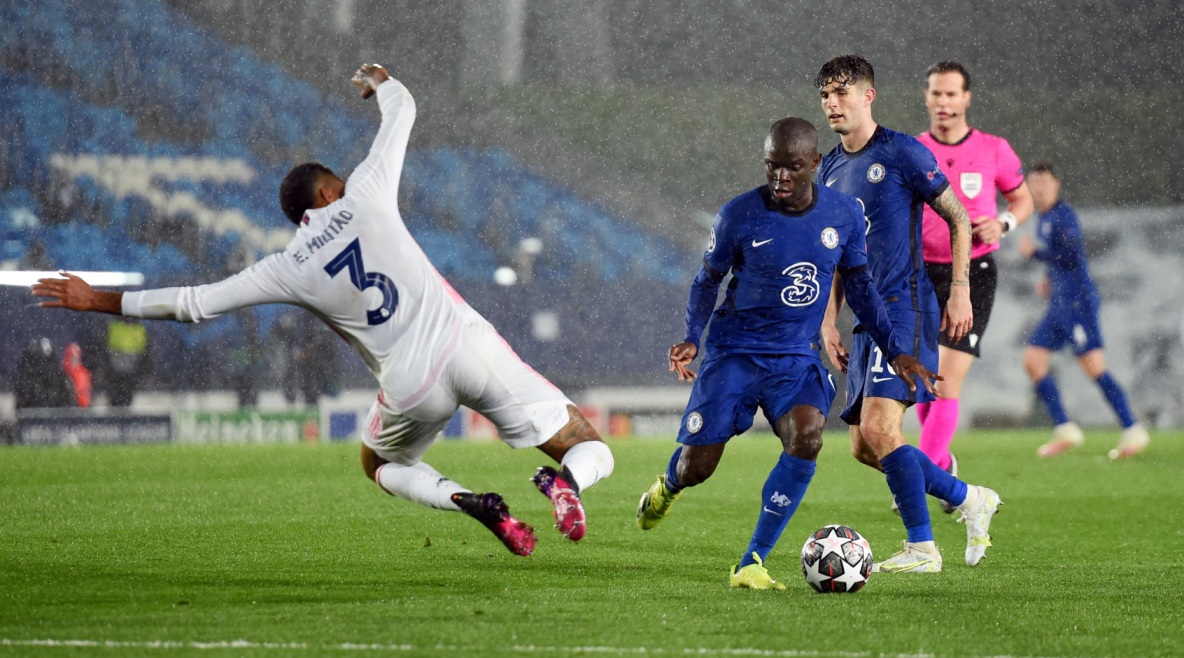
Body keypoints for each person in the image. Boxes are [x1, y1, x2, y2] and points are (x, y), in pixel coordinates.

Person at [32, 63, 614, 557]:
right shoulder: (366, 193)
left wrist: (98, 299)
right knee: (588, 443)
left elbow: (194, 305)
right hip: (468, 344)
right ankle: (567, 483)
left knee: (378, 465)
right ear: (328, 192)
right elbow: (404, 110)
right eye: (336, 179)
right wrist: (381, 81)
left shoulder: (288, 266)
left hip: (411, 385)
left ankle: (466, 500)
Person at [635, 117, 940, 590]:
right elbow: (706, 281)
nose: (780, 177)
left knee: (808, 437)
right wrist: (693, 336)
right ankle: (669, 485)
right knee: (697, 467)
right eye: (771, 166)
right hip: (735, 354)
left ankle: (752, 560)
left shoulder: (843, 214)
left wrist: (896, 349)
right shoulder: (738, 215)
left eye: (792, 167)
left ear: (814, 163)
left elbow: (860, 286)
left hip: (796, 357)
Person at [814, 55, 1001, 573]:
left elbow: (959, 217)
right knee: (863, 447)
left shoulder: (902, 152)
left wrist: (960, 289)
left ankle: (923, 548)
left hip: (905, 306)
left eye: (842, 93)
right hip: (865, 319)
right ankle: (968, 497)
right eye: (825, 95)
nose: (832, 103)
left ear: (868, 95)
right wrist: (828, 320)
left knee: (880, 428)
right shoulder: (829, 170)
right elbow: (837, 254)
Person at [914, 61, 1034, 503]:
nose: (943, 102)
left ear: (966, 99)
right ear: (926, 97)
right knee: (923, 382)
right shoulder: (913, 150)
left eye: (951, 94)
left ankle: (920, 478)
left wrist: (1002, 223)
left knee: (946, 382)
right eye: (936, 93)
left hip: (974, 274)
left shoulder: (992, 149)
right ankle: (943, 467)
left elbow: (1022, 199)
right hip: (921, 272)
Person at [1019, 161, 1148, 459]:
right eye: (1034, 182)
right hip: (1059, 304)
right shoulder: (1044, 217)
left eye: (1045, 182)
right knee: (1033, 362)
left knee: (1094, 367)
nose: (1039, 188)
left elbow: (1071, 252)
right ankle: (1065, 428)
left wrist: (1036, 254)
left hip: (1077, 303)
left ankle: (1133, 428)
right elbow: (1061, 260)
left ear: (1056, 184)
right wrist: (1049, 278)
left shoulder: (1063, 215)